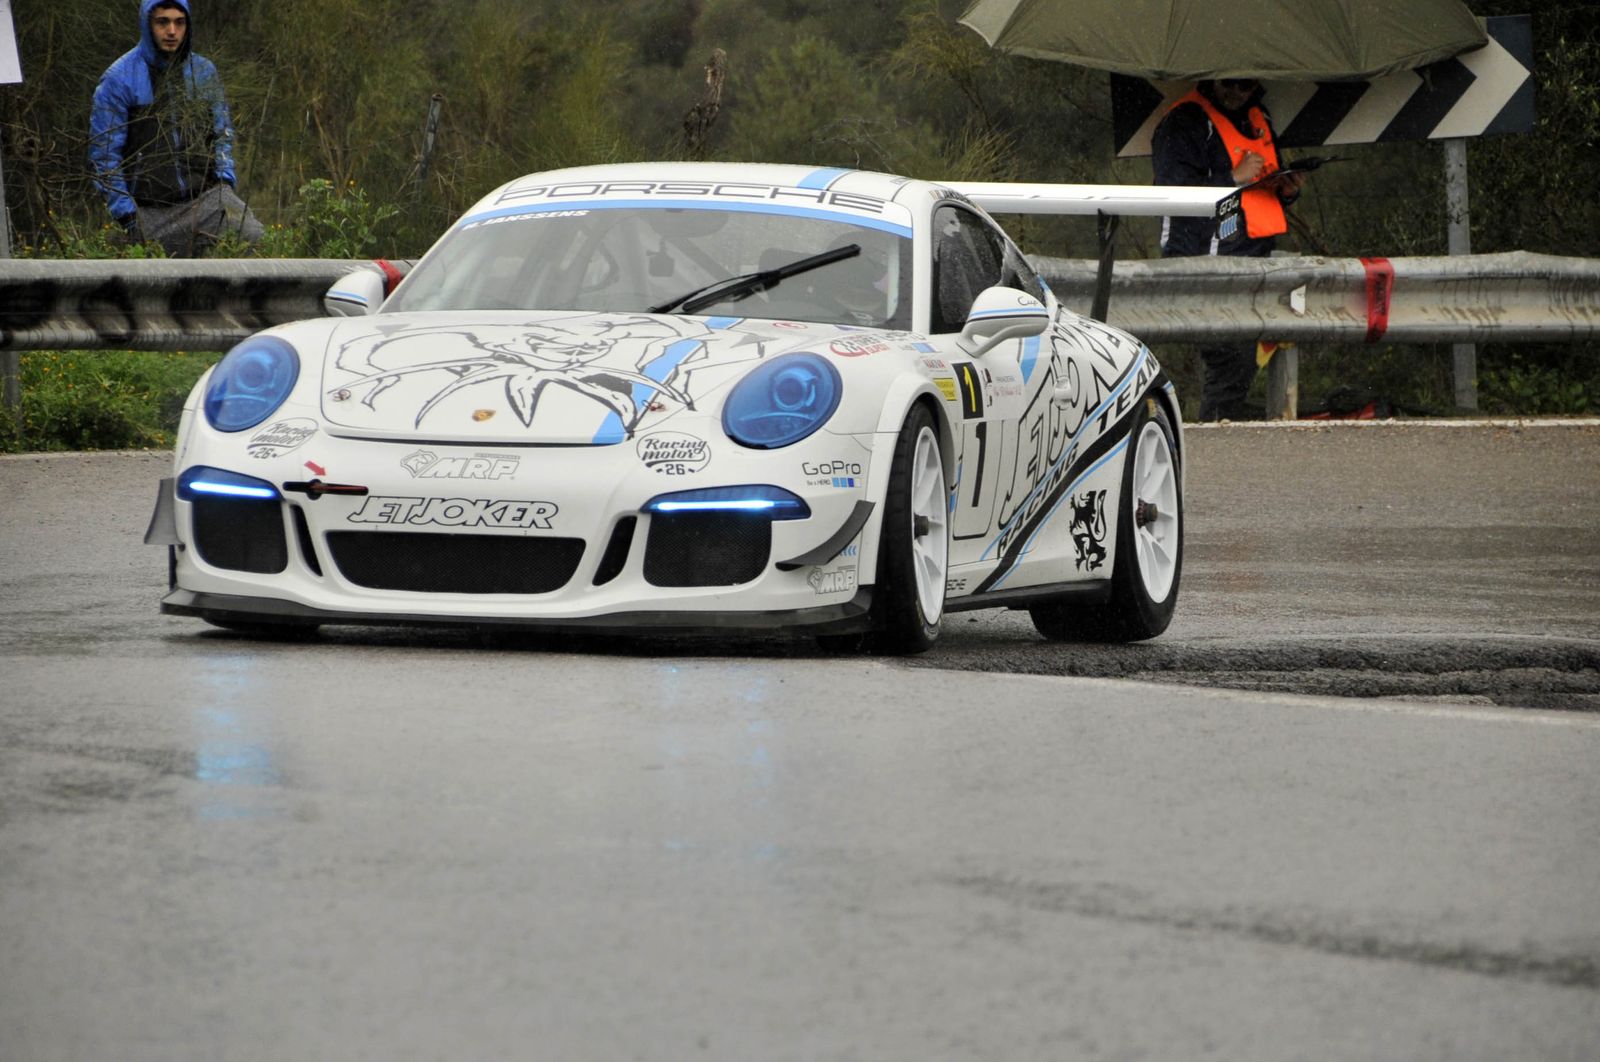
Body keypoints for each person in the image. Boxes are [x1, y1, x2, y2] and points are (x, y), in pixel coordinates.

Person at [1153, 78, 1305, 420]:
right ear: (1212, 78)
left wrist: (1288, 188)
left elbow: (1261, 187)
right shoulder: (1185, 121)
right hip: (1204, 264)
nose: (1235, 92)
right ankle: (1213, 437)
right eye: (1228, 84)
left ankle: (1218, 433)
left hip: (1254, 261)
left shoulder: (1257, 116)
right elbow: (1171, 191)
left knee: (1237, 367)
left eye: (1245, 85)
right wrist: (1231, 177)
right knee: (1228, 363)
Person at [89, 0, 263, 257]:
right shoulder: (119, 79)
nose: (172, 31)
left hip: (205, 201)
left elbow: (222, 133)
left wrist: (225, 181)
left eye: (179, 23)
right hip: (147, 211)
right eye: (163, 22)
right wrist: (126, 215)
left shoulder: (204, 72)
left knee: (253, 236)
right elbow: (104, 157)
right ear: (148, 24)